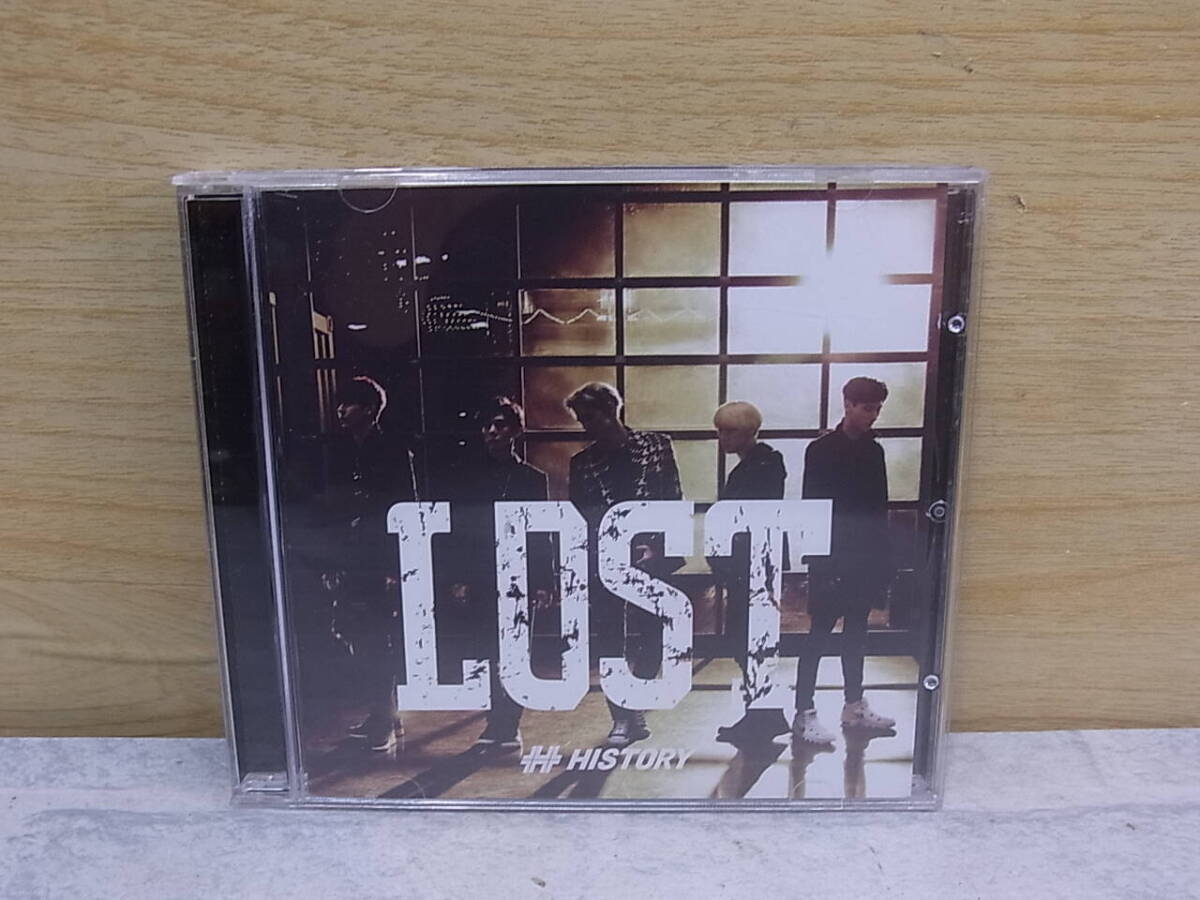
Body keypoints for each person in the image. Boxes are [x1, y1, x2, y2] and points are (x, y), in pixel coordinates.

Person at [566, 382, 684, 749]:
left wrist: (658, 548)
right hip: (606, 561)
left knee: (654, 637)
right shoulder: (582, 464)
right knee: (609, 641)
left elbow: (673, 499)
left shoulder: (656, 446)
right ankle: (621, 717)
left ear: (612, 411)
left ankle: (635, 704)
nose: (587, 425)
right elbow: (582, 521)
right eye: (582, 419)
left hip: (652, 559)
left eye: (592, 416)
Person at [439, 396, 548, 754]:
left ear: (516, 431)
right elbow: (457, 533)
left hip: (518, 577)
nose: (491, 431)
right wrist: (456, 579)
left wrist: (543, 582)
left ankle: (508, 725)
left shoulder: (532, 479)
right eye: (486, 425)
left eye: (500, 425)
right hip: (480, 576)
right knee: (485, 650)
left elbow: (540, 533)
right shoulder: (466, 478)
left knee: (515, 653)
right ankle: (496, 721)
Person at [793, 376, 896, 745]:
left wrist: (884, 559)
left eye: (878, 409)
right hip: (833, 556)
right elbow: (813, 507)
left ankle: (854, 707)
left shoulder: (874, 451)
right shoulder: (821, 450)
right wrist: (821, 563)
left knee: (856, 632)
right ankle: (804, 714)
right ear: (848, 404)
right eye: (868, 408)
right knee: (819, 634)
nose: (874, 415)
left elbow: (879, 508)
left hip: (865, 556)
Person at [324, 375, 417, 752]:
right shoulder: (343, 451)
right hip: (352, 558)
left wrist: (396, 568)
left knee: (378, 639)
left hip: (380, 562)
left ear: (369, 409)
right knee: (357, 636)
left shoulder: (393, 451)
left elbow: (405, 509)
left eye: (348, 404)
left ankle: (385, 720)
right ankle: (385, 716)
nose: (340, 410)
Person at [709, 401, 791, 745]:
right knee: (747, 642)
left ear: (750, 432)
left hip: (754, 566)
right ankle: (764, 715)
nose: (723, 438)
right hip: (749, 566)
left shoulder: (764, 465)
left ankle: (764, 716)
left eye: (730, 431)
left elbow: (749, 520)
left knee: (749, 642)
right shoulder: (754, 465)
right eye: (720, 431)